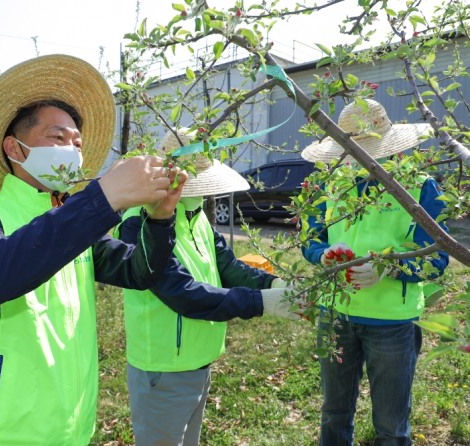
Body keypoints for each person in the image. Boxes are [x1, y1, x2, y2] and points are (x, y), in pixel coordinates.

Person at [0, 54, 187, 446]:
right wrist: (103, 197)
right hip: (0, 435)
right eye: (57, 138)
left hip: (70, 428)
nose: (71, 150)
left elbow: (140, 271)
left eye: (77, 143)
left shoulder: (70, 219)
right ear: (15, 149)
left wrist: (160, 220)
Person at [116, 128, 305, 446]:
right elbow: (181, 292)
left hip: (198, 358)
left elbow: (227, 266)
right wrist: (260, 302)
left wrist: (274, 282)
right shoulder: (139, 224)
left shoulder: (195, 215)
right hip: (163, 368)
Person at [299, 99, 450, 446]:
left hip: (392, 324)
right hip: (333, 314)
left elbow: (438, 258)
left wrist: (389, 267)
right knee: (333, 414)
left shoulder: (419, 186)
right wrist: (323, 256)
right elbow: (311, 238)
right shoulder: (329, 184)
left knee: (391, 425)